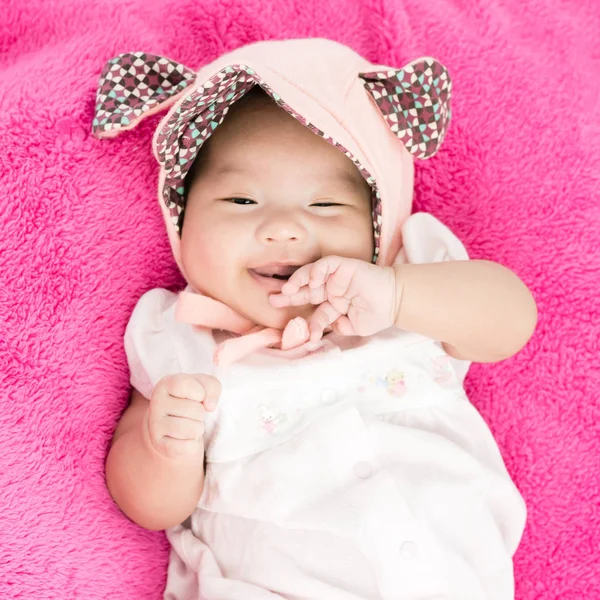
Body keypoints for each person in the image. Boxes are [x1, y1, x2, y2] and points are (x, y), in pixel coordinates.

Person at [93, 38, 537, 600]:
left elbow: (512, 320)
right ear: (182, 221)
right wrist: (163, 448)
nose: (284, 228)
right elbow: (148, 506)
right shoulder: (178, 338)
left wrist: (398, 294)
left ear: (380, 227)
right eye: (241, 202)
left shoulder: (414, 280)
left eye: (326, 205)